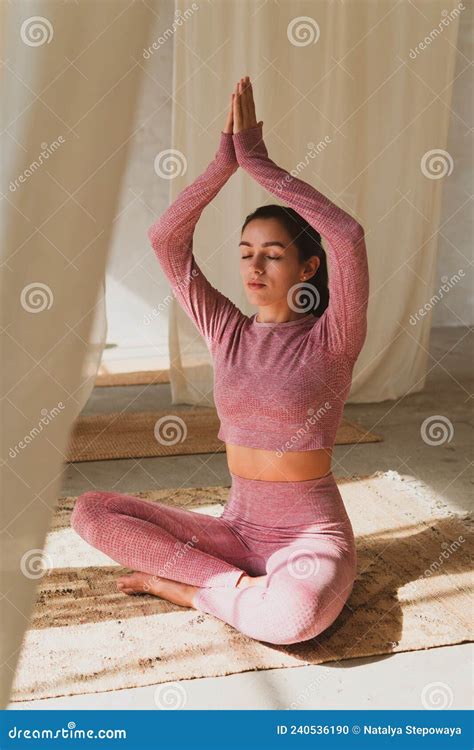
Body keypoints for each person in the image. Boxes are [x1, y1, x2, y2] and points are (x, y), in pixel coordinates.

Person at [70, 76, 369, 645]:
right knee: (90, 510)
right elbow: (165, 240)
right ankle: (234, 587)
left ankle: (192, 590)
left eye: (274, 255)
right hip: (236, 529)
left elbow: (347, 236)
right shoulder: (226, 329)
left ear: (307, 268)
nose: (255, 267)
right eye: (246, 254)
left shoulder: (333, 336)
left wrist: (258, 162)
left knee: (293, 622)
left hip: (309, 538)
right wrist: (220, 164)